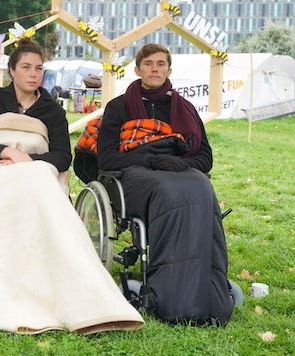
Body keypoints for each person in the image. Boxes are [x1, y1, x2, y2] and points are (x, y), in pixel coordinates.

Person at [0, 37, 144, 335]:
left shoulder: (52, 110)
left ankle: (66, 286)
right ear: (13, 71)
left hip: (34, 171)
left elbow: (61, 157)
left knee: (39, 180)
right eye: (26, 67)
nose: (33, 73)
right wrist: (7, 152)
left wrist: (25, 159)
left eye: (38, 68)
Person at [92, 43, 233, 326]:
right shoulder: (119, 107)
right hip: (135, 176)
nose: (154, 69)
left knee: (202, 188)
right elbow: (107, 158)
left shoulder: (186, 109)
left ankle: (210, 291)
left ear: (169, 69)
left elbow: (204, 158)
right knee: (170, 193)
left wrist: (181, 163)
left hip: (180, 171)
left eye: (160, 64)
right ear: (137, 69)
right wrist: (150, 158)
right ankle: (172, 297)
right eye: (148, 64)